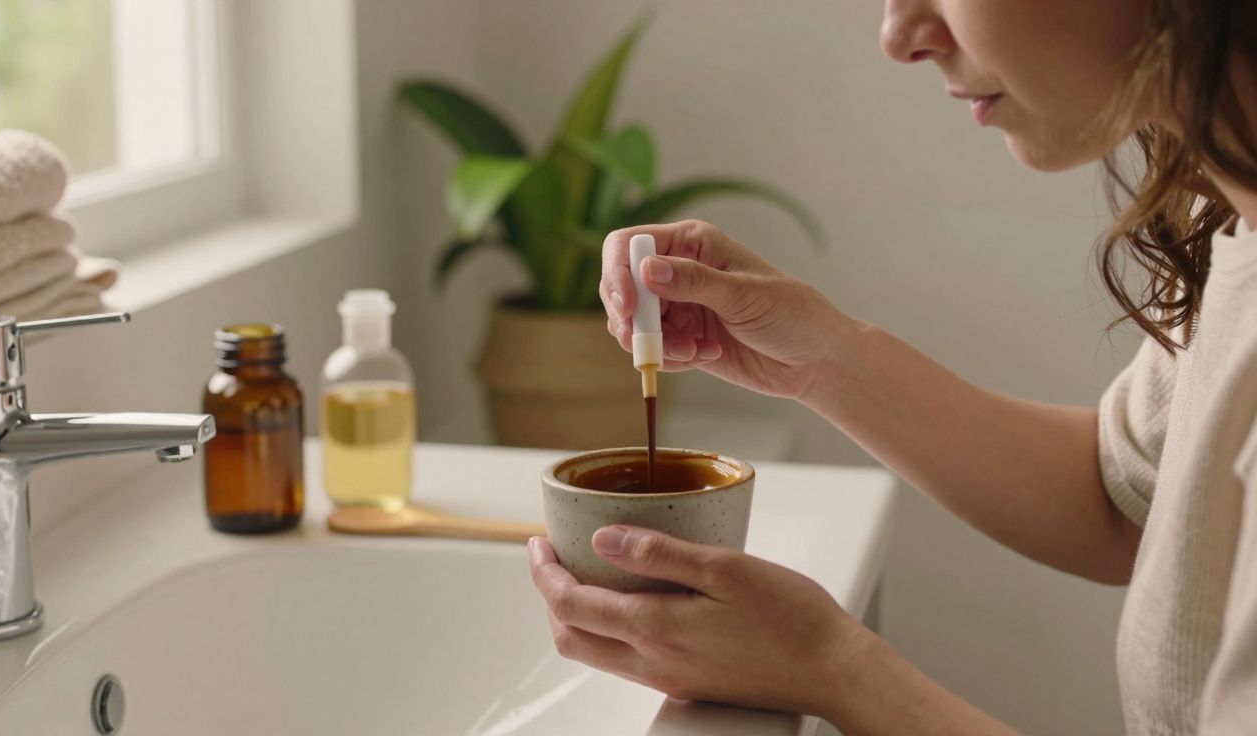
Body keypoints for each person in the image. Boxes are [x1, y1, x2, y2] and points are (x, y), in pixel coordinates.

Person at [525, 0, 1257, 732]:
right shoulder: (1228, 214)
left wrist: (832, 665)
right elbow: (1129, 503)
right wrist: (822, 357)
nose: (899, 35)